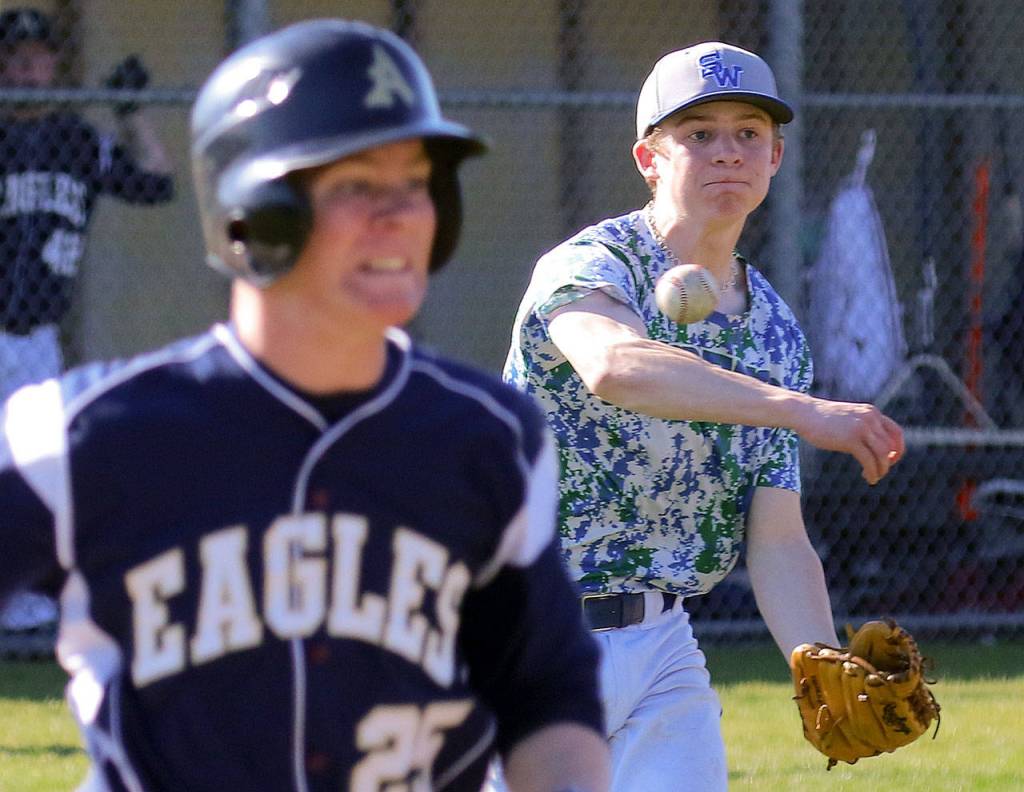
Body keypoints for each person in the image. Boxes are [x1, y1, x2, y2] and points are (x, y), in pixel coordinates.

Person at [0, 19, 609, 792]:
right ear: (252, 214)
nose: (400, 215)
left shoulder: (489, 438)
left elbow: (545, 695)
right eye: (356, 184)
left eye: (416, 182)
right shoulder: (89, 435)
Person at [502, 42, 905, 791]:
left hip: (662, 646)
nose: (728, 152)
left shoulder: (774, 331)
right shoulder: (591, 266)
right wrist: (800, 411)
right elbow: (614, 366)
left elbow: (777, 537)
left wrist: (821, 662)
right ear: (649, 159)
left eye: (748, 133)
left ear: (776, 156)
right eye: (698, 134)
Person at [0, 6, 174, 633]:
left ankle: (22, 612)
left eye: (38, 55)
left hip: (38, 339)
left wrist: (133, 116)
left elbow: (157, 183)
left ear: (54, 62)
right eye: (14, 57)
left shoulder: (76, 140)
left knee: (31, 470)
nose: (27, 67)